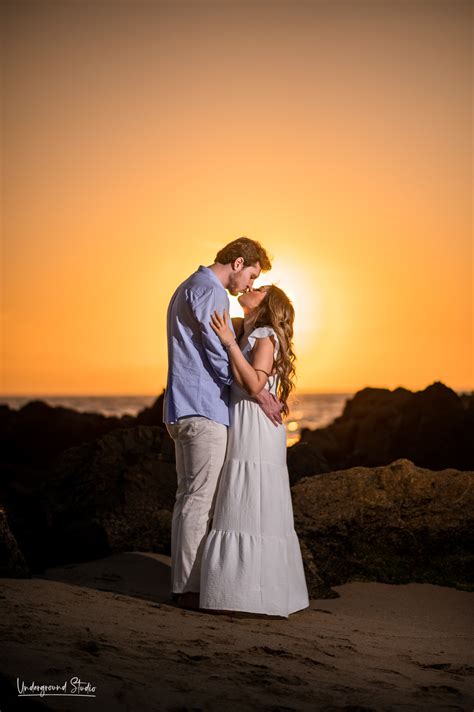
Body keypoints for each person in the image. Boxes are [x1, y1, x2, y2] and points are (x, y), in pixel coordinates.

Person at [163, 237, 283, 611]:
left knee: (189, 498)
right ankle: (189, 589)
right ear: (237, 262)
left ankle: (186, 584)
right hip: (203, 410)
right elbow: (218, 356)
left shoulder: (188, 286)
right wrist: (255, 391)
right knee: (199, 502)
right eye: (251, 275)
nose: (248, 284)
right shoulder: (210, 292)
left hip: (182, 407)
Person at [199, 284, 310, 618]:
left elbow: (256, 384)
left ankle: (249, 596)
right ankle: (244, 592)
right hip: (248, 420)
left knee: (252, 498)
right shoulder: (247, 327)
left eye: (259, 288)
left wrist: (230, 343)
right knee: (247, 498)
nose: (250, 287)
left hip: (258, 428)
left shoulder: (264, 334)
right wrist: (234, 334)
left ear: (266, 305)